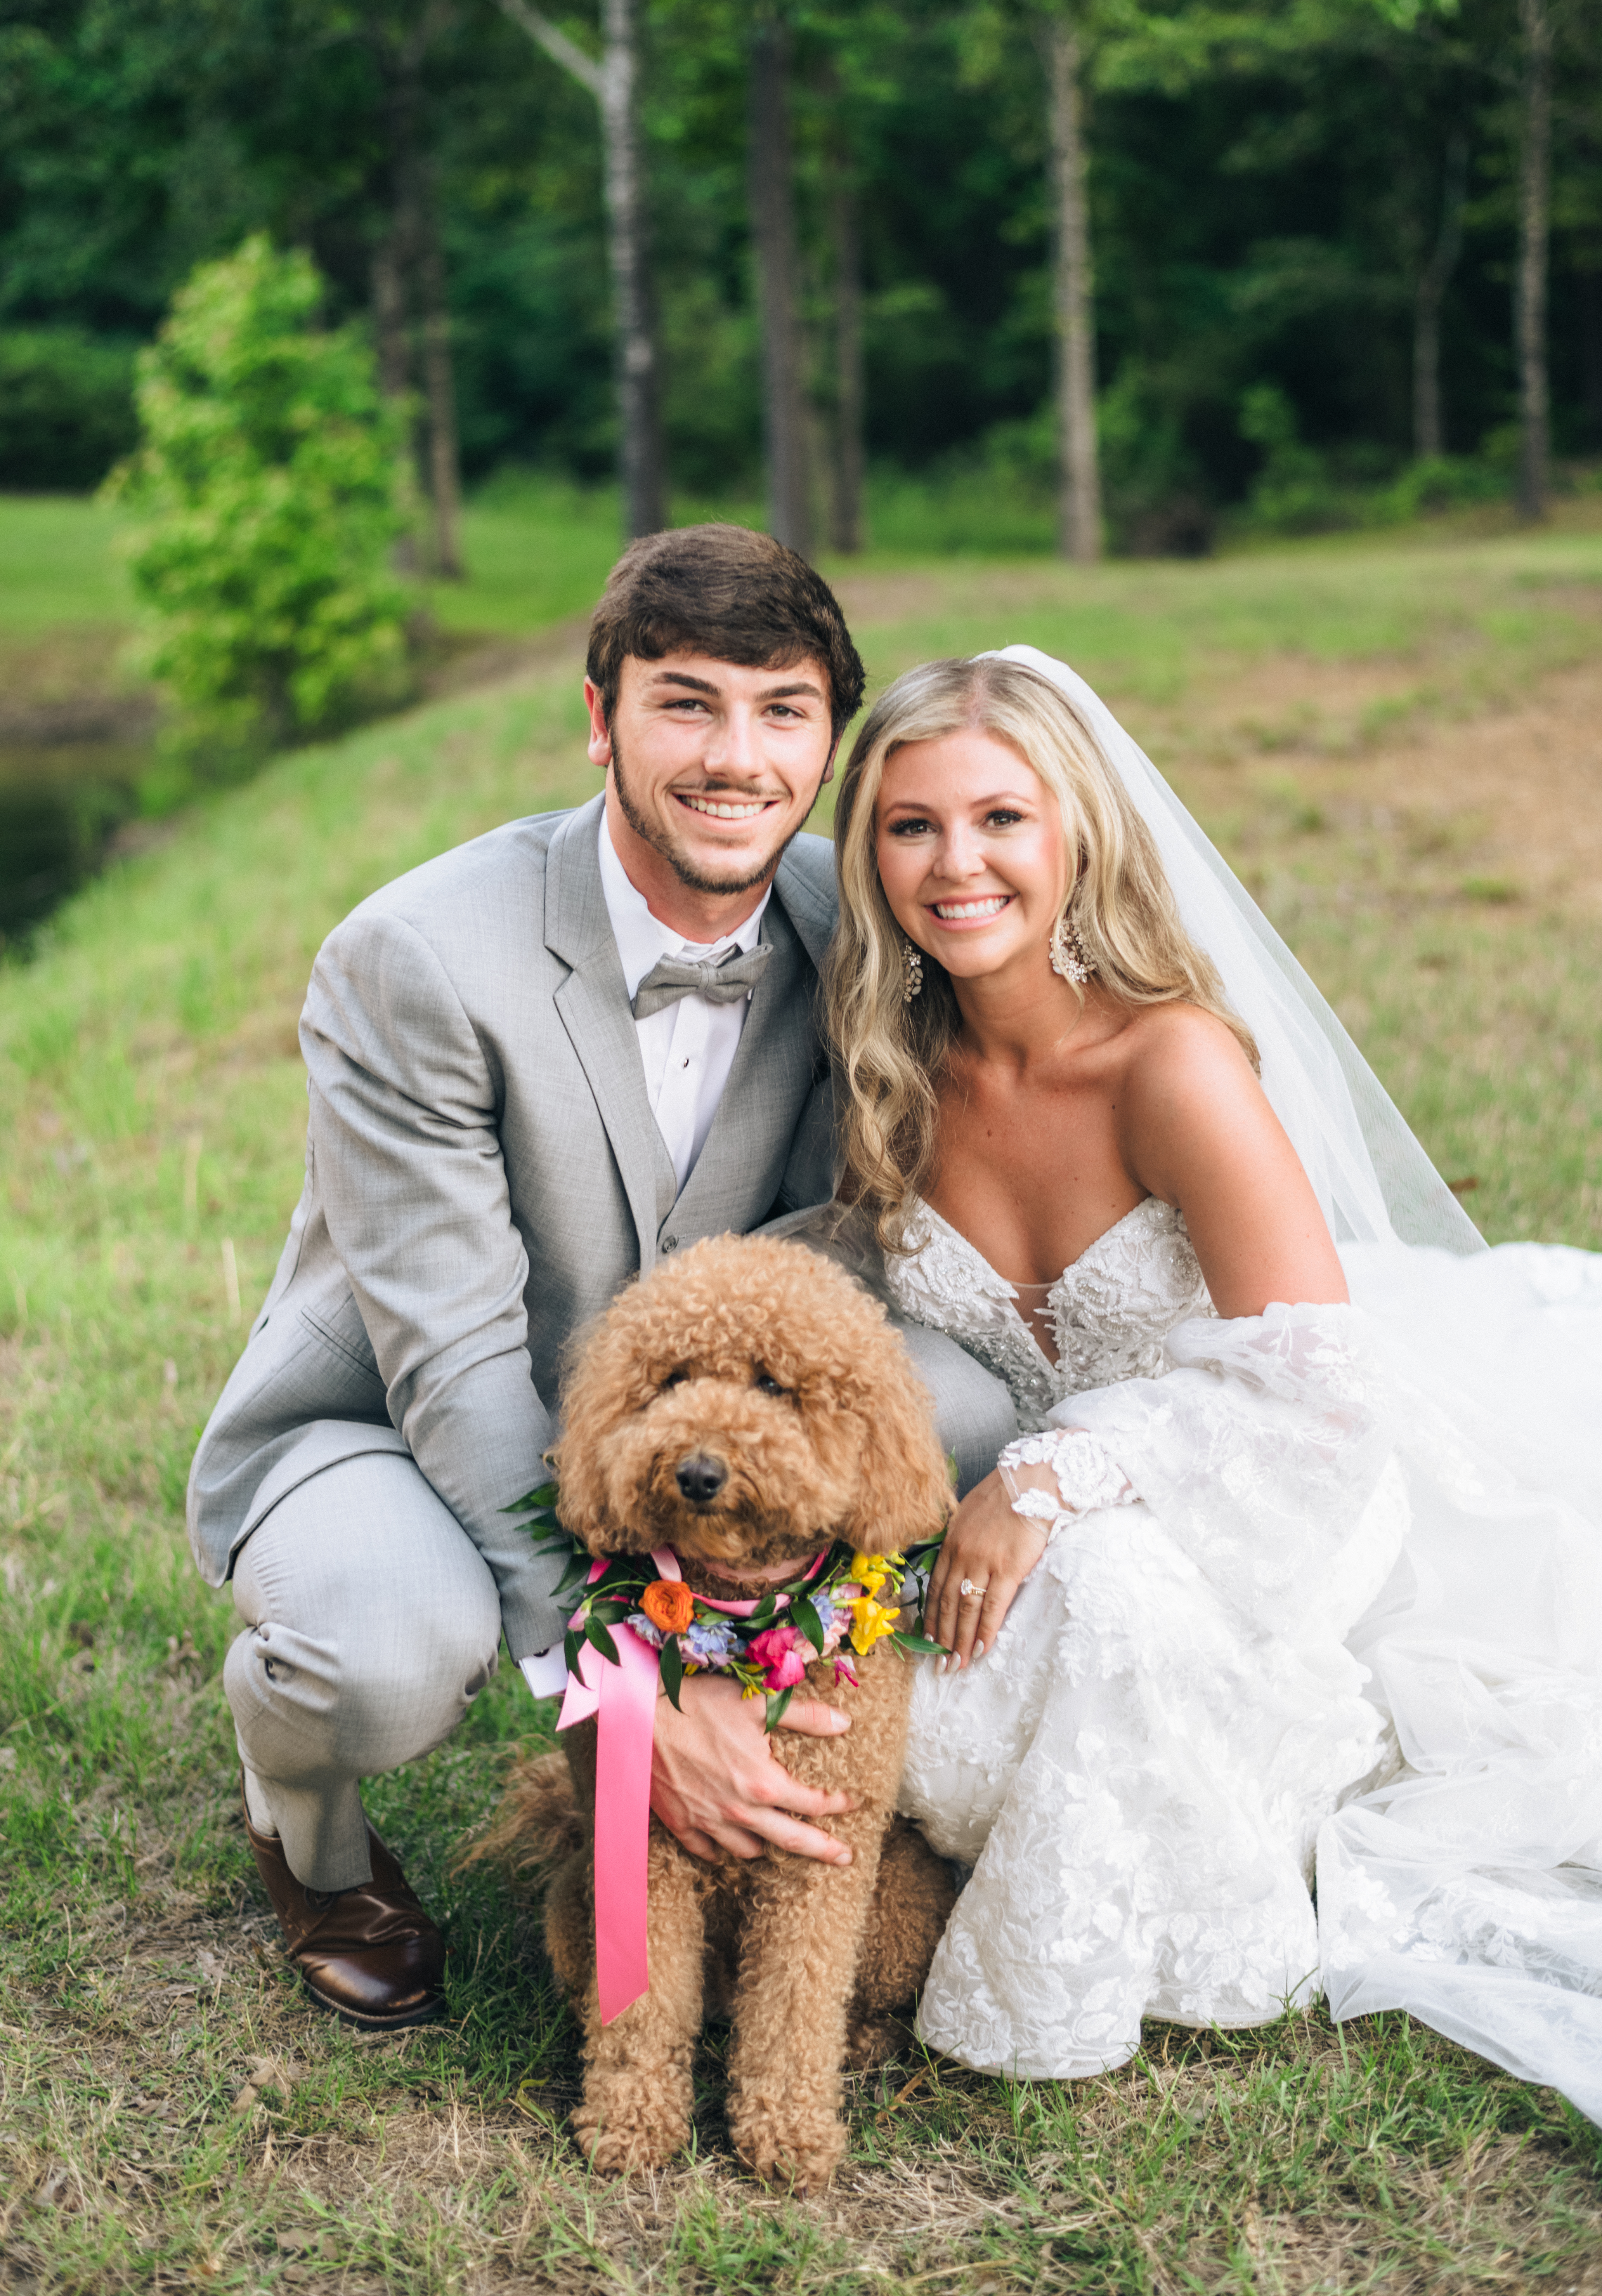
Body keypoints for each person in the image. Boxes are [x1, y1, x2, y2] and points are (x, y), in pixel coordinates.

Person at [185, 528, 1016, 2030]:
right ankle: (295, 1814)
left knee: (959, 1406)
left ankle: (813, 1747)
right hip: (394, 1419)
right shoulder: (414, 960)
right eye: (686, 703)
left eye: (783, 713)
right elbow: (454, 1364)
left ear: (829, 742)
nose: (735, 758)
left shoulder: (855, 926)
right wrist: (631, 1689)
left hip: (688, 1429)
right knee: (387, 1652)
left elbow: (843, 1240)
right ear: (599, 719)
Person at [818, 646, 1602, 2122]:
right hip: (1030, 1525)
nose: (956, 862)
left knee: (1114, 1594)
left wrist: (1055, 1475)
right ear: (868, 856)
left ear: (1078, 835)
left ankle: (1062, 1980)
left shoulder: (1168, 1064)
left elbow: (1321, 1387)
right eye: (911, 825)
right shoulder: (887, 1072)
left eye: (1002, 819)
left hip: (1259, 1497)